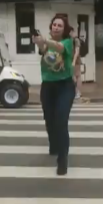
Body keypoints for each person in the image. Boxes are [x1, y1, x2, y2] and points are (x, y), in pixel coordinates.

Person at [33, 15, 76, 176]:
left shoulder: (67, 43)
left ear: (64, 29)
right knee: (49, 120)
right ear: (51, 27)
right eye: (54, 25)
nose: (56, 27)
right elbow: (45, 53)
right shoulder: (46, 43)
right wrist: (40, 44)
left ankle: (63, 160)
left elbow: (59, 48)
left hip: (65, 86)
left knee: (61, 120)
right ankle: (54, 144)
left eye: (60, 25)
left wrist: (44, 41)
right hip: (48, 86)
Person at [70, 29, 82, 99]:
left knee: (76, 76)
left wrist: (74, 61)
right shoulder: (70, 40)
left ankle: (78, 92)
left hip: (75, 61)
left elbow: (77, 52)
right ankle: (75, 92)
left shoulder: (76, 40)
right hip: (71, 61)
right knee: (74, 76)